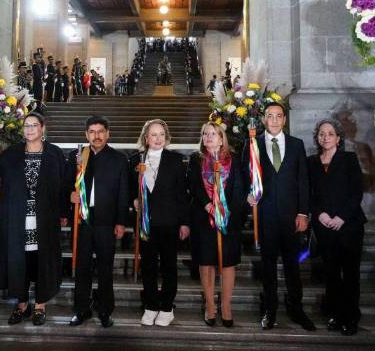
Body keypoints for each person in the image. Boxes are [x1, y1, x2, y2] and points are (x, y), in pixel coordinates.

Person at [242, 102, 315, 331]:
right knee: (268, 266)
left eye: (278, 116)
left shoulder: (296, 145)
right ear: (264, 119)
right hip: (265, 217)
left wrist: (303, 213)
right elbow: (245, 177)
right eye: (270, 116)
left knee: (293, 265)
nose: (274, 120)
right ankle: (270, 310)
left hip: (291, 217)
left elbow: (303, 181)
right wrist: (248, 196)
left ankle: (296, 308)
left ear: (284, 120)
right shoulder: (252, 145)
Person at [0, 112, 67, 326]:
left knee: (40, 260)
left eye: (34, 125)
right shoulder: (12, 153)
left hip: (44, 217)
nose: (29, 129)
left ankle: (40, 306)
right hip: (17, 217)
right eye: (26, 125)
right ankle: (22, 305)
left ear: (43, 128)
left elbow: (63, 186)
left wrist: (63, 212)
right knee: (20, 260)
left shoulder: (54, 154)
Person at [67, 116, 129, 328]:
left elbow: (123, 194)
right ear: (86, 135)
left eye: (100, 131)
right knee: (82, 268)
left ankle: (105, 310)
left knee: (105, 268)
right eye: (92, 132)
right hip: (82, 220)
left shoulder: (119, 159)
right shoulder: (77, 157)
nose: (96, 136)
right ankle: (81, 309)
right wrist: (70, 196)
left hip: (107, 222)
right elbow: (66, 185)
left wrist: (121, 222)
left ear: (107, 133)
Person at [308, 118, 366, 336]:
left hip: (349, 225)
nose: (325, 137)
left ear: (338, 139)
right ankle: (335, 314)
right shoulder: (311, 162)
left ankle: (351, 317)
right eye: (322, 133)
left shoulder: (349, 159)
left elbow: (356, 192)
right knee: (331, 274)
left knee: (350, 274)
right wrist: (319, 214)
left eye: (330, 133)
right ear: (317, 138)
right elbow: (309, 193)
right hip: (324, 226)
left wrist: (341, 217)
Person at [128, 120, 189, 327]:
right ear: (146, 138)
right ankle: (151, 305)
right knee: (149, 266)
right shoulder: (135, 160)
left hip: (170, 223)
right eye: (153, 135)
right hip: (146, 224)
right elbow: (129, 189)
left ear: (166, 136)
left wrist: (184, 223)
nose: (157, 138)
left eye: (161, 134)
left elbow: (182, 195)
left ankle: (167, 307)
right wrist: (133, 200)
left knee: (169, 266)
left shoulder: (176, 160)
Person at [188, 122, 245, 328]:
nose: (209, 137)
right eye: (206, 134)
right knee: (206, 261)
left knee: (228, 262)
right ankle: (210, 305)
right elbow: (193, 186)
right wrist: (208, 206)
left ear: (222, 138)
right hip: (204, 219)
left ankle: (226, 306)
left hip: (229, 218)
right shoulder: (196, 160)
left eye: (214, 134)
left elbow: (240, 186)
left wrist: (226, 209)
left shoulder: (234, 159)